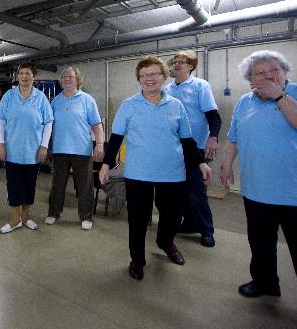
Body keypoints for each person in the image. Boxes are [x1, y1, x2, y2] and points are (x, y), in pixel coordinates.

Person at [99, 56, 212, 281]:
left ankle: (165, 242)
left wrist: (200, 162)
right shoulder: (129, 105)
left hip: (172, 172)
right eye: (144, 75)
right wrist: (105, 165)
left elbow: (187, 139)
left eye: (154, 74)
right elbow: (116, 138)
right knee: (138, 220)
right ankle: (137, 260)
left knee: (173, 216)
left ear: (163, 77)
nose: (149, 79)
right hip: (139, 172)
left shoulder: (175, 105)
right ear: (139, 80)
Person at [220, 50, 297, 298]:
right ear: (250, 79)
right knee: (261, 243)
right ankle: (265, 283)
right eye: (259, 72)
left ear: (285, 72)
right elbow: (233, 137)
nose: (268, 76)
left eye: (274, 70)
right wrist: (226, 164)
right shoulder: (245, 102)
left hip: (292, 191)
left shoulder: (292, 94)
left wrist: (280, 96)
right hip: (256, 189)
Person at [165, 50, 221, 247]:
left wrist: (212, 138)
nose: (177, 64)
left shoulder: (200, 86)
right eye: (175, 61)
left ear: (191, 66)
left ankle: (207, 230)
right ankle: (189, 223)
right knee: (179, 190)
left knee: (196, 191)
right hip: (173, 148)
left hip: (195, 146)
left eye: (182, 62)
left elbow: (214, 116)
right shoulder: (168, 88)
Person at [44, 66, 104, 230]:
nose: (67, 79)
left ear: (78, 79)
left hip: (82, 151)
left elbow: (97, 125)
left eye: (70, 76)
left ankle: (86, 217)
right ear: (60, 81)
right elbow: (49, 126)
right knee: (58, 185)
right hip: (60, 151)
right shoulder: (55, 101)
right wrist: (46, 147)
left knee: (84, 186)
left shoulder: (87, 100)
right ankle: (53, 213)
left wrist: (99, 144)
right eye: (64, 77)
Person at [0, 62, 53, 234]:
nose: (24, 76)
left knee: (29, 186)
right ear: (18, 76)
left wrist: (44, 146)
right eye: (21, 73)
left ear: (33, 76)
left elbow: (48, 122)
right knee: (13, 186)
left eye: (27, 73)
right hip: (13, 152)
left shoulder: (41, 97)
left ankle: (26, 217)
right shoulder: (8, 96)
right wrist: (0, 144)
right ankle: (14, 220)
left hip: (33, 153)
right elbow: (1, 121)